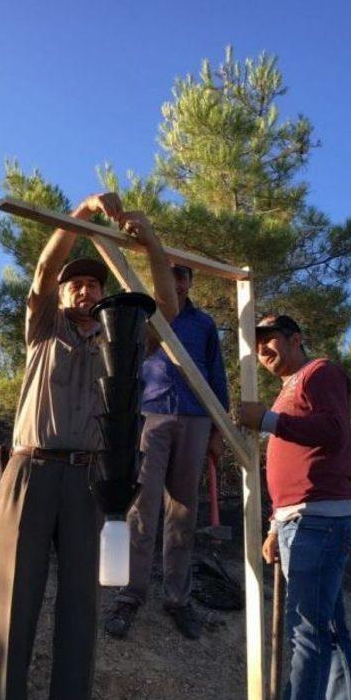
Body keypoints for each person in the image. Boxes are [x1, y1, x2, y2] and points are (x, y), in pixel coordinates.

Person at [0, 192, 178, 700]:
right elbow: (44, 271)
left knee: (79, 610)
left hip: (90, 483)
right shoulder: (42, 327)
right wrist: (82, 216)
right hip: (30, 471)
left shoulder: (120, 342)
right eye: (78, 284)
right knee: (14, 605)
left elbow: (166, 314)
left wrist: (147, 241)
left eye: (94, 285)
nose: (86, 290)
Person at [227, 314, 351, 700]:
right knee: (329, 629)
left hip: (319, 521)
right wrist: (273, 524)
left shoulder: (319, 373)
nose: (264, 349)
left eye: (270, 340)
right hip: (301, 519)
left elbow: (332, 431)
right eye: (257, 343)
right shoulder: (291, 386)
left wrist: (266, 419)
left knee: (307, 635)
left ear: (296, 339)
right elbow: (293, 463)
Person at [105, 264, 229, 640]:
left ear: (189, 283)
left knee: (183, 513)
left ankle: (178, 599)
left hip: (194, 419)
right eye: (169, 275)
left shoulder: (204, 324)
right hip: (152, 417)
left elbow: (217, 374)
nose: (175, 282)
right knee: (142, 508)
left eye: (182, 277)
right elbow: (125, 368)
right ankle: (130, 595)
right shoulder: (146, 318)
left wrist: (219, 430)